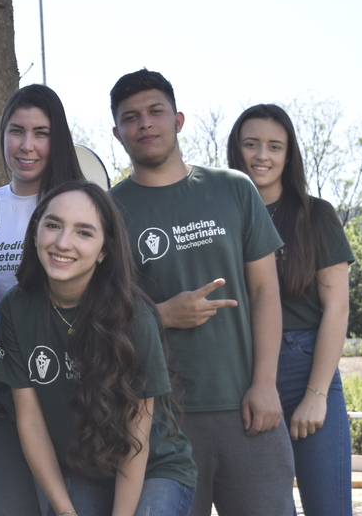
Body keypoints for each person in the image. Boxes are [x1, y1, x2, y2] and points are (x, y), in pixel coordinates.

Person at [107, 69, 295, 516]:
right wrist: (159, 315)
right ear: (117, 133)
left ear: (179, 120)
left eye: (156, 112)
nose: (145, 123)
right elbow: (105, 311)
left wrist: (266, 384)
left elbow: (266, 290)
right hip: (161, 419)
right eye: (131, 117)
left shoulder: (233, 188)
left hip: (248, 409)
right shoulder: (108, 211)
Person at [0, 181, 197, 516]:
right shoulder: (15, 309)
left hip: (153, 468)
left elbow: (138, 437)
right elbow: (30, 422)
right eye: (53, 225)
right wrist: (63, 510)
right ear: (35, 233)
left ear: (104, 250)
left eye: (84, 233)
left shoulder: (134, 315)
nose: (62, 242)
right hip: (83, 469)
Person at [228, 104, 355, 516]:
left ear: (289, 155)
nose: (262, 155)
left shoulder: (315, 215)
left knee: (329, 508)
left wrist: (316, 395)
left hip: (306, 367)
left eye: (274, 146)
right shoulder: (220, 220)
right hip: (240, 373)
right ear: (236, 150)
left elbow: (336, 307)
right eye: (251, 144)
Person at [0, 84, 85, 514]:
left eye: (41, 133)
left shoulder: (78, 207)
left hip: (65, 379)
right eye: (16, 131)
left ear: (57, 138)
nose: (26, 145)